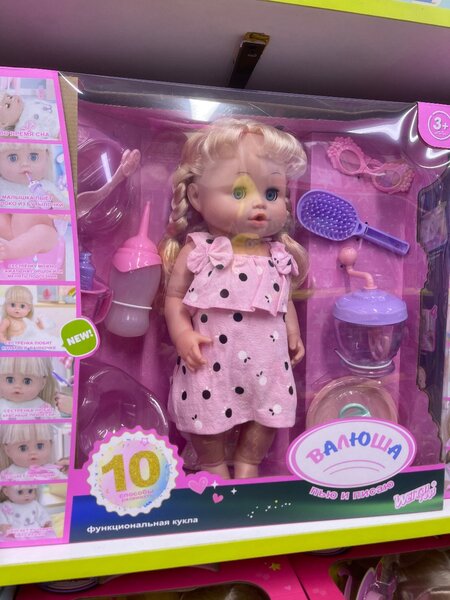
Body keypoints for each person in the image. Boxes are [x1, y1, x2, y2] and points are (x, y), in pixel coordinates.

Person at [160, 118, 308, 479]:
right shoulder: (201, 250)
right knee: (207, 424)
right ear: (196, 197)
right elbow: (174, 298)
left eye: (272, 194)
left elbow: (282, 298)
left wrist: (293, 332)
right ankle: (214, 472)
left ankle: (247, 471)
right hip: (212, 362)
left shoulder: (277, 254)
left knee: (266, 418)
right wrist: (182, 334)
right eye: (239, 192)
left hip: (267, 366)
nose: (259, 205)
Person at [0, 142, 67, 208]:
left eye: (33, 157)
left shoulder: (48, 187)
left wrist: (58, 207)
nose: (24, 164)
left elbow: (67, 208)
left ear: (47, 157)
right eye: (13, 158)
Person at [0, 357, 70, 420]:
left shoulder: (42, 407)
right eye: (10, 380)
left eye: (27, 381)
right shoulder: (2, 405)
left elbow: (57, 424)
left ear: (42, 383)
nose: (17, 386)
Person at [0, 423, 68, 481]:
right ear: (8, 450)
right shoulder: (7, 475)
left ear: (50, 445)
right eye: (23, 448)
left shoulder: (53, 471)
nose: (33, 452)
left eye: (40, 446)